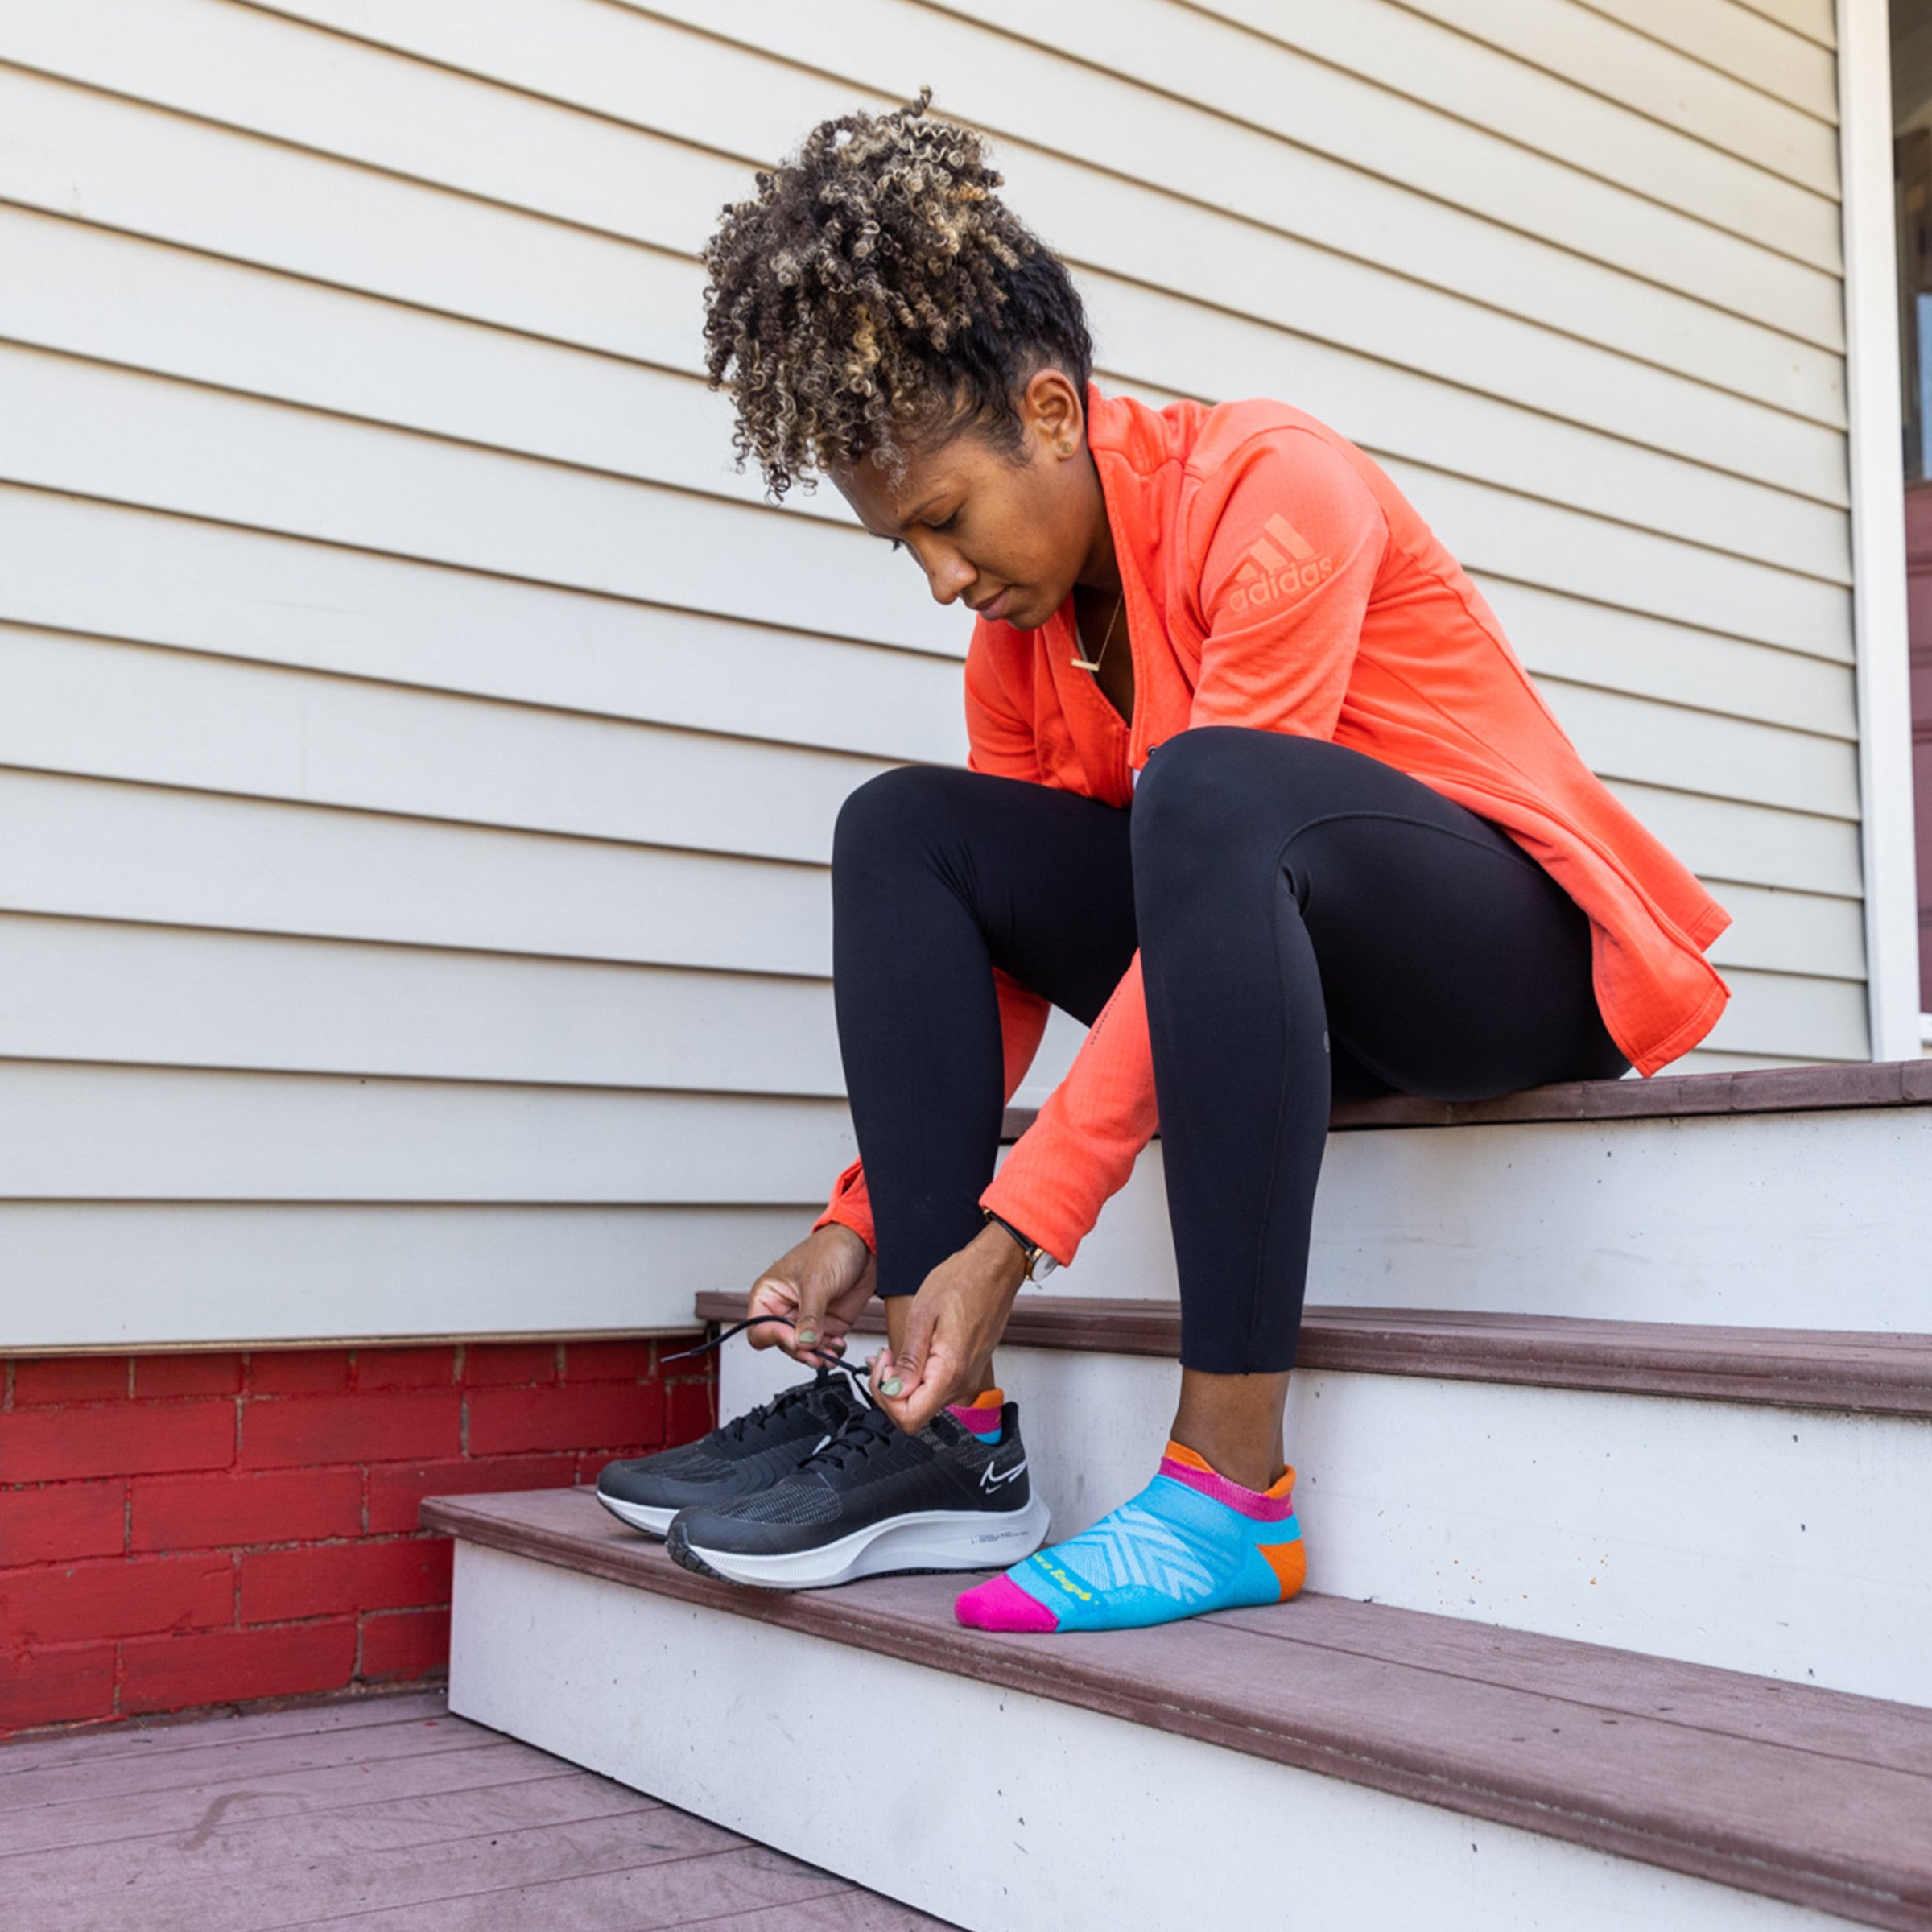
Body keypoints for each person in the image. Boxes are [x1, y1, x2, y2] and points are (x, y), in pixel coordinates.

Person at [595, 93, 1729, 1633]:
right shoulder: (1029, 630)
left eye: (945, 518)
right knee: (908, 831)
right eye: (901, 548)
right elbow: (1006, 949)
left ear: (1051, 415)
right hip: (1283, 992)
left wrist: (1020, 1230)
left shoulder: (1275, 486)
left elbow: (1217, 835)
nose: (941, 579)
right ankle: (955, 1436)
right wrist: (867, 1221)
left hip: (1508, 956)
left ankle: (1232, 1488)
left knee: (1202, 790)